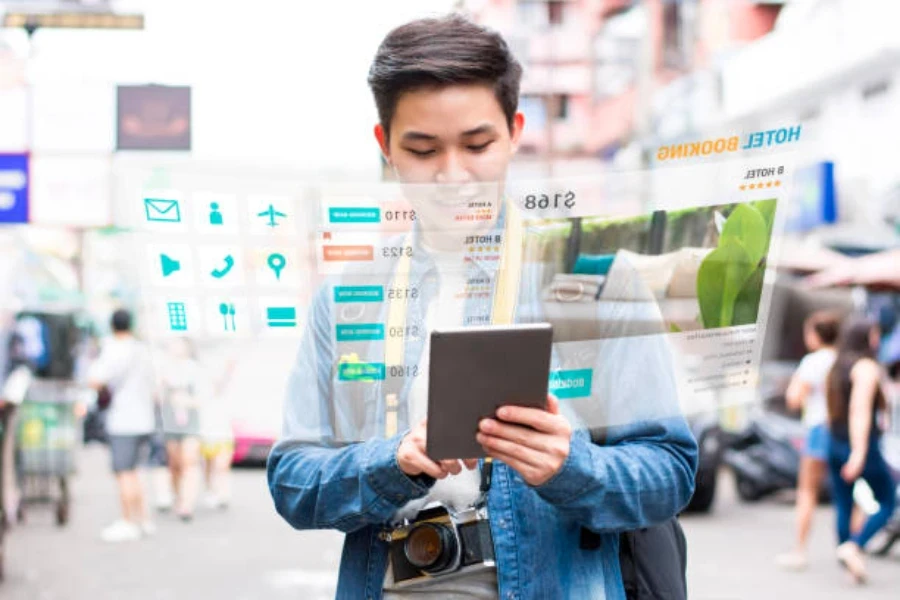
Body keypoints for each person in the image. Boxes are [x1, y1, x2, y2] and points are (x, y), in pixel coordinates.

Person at [267, 15, 697, 599]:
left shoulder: (596, 280)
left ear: (515, 131)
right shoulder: (346, 301)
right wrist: (393, 462)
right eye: (422, 149)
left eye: (478, 145)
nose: (452, 176)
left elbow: (670, 472)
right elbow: (293, 482)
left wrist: (572, 468)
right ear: (385, 145)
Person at [825, 316, 897, 583]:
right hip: (860, 444)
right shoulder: (865, 367)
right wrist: (859, 451)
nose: (878, 338)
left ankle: (849, 561)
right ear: (866, 337)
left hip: (835, 440)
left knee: (844, 502)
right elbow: (860, 410)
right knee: (888, 500)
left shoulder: (837, 364)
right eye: (875, 333)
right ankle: (855, 546)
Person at [776, 311, 840, 570]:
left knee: (807, 491)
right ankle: (853, 546)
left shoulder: (812, 362)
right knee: (848, 492)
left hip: (817, 429)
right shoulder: (843, 359)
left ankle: (799, 550)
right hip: (841, 430)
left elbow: (794, 397)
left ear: (815, 335)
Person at [87, 308, 157, 542]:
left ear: (112, 326)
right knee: (136, 471)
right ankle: (144, 519)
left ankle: (128, 522)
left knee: (124, 473)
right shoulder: (143, 350)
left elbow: (95, 379)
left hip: (123, 421)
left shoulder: (113, 349)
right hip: (144, 419)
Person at [157, 337, 207, 521]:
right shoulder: (163, 369)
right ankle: (178, 496)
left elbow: (205, 397)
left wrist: (188, 401)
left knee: (190, 462)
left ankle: (187, 503)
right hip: (170, 424)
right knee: (175, 464)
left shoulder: (195, 370)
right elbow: (156, 397)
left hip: (191, 424)